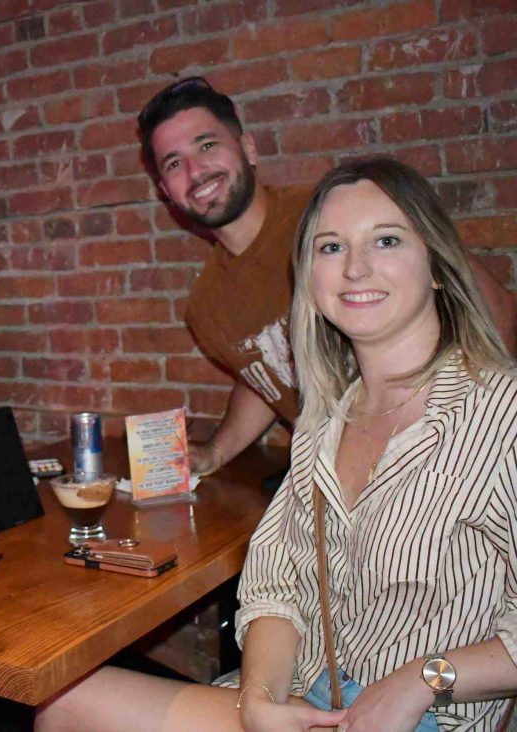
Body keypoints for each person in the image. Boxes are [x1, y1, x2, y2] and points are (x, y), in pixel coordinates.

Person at [35, 158, 517, 731]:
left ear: (437, 265)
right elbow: (276, 584)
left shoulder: (501, 412)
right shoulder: (323, 417)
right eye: (330, 247)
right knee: (59, 706)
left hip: (428, 717)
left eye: (386, 240)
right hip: (308, 692)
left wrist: (424, 679)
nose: (356, 267)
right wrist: (260, 698)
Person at [138, 77, 517, 475]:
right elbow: (266, 376)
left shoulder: (332, 213)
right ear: (165, 190)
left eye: (207, 145)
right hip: (331, 476)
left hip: (437, 462)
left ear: (247, 148)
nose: (196, 171)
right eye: (174, 163)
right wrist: (215, 452)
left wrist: (482, 438)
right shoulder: (206, 305)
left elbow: (491, 307)